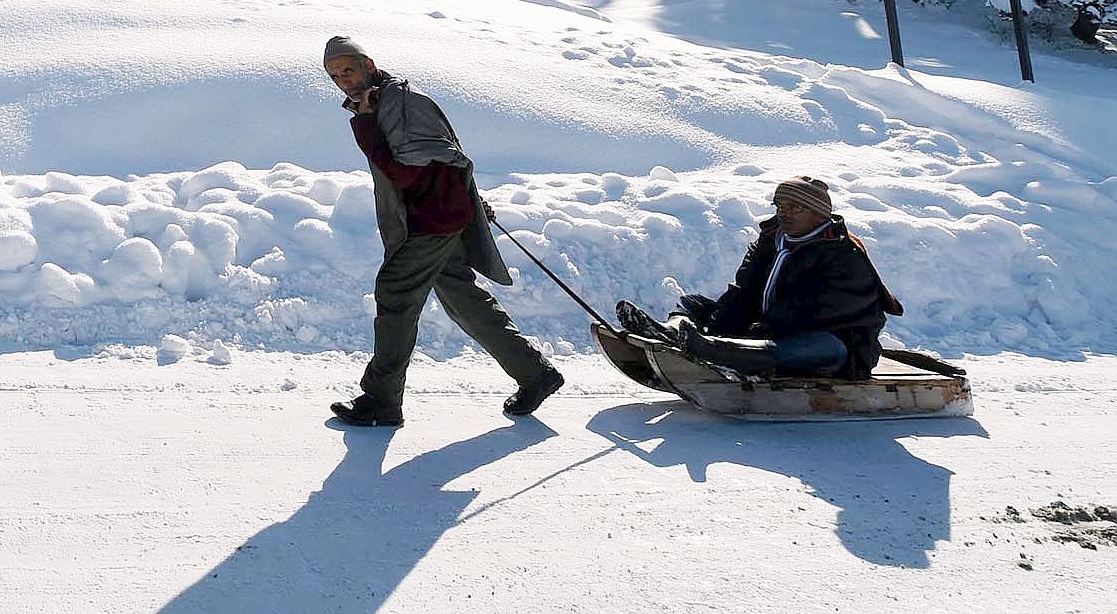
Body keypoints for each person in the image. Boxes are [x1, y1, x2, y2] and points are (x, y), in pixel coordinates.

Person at [322, 36, 563, 428]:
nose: (343, 80)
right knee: (463, 299)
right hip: (440, 214)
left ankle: (381, 401)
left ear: (368, 63)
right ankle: (535, 375)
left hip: (431, 220)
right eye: (334, 76)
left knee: (395, 293)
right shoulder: (385, 101)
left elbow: (408, 170)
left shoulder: (401, 102)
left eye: (347, 70)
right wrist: (469, 198)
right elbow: (445, 158)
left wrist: (365, 127)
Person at [619, 175, 899, 378]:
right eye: (780, 206)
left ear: (818, 215)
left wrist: (754, 332)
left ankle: (715, 351)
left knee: (818, 347)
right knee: (695, 303)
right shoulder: (771, 241)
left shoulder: (843, 255)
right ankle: (673, 332)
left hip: (838, 344)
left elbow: (811, 313)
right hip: (767, 327)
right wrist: (723, 324)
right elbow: (745, 291)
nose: (784, 214)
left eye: (795, 208)